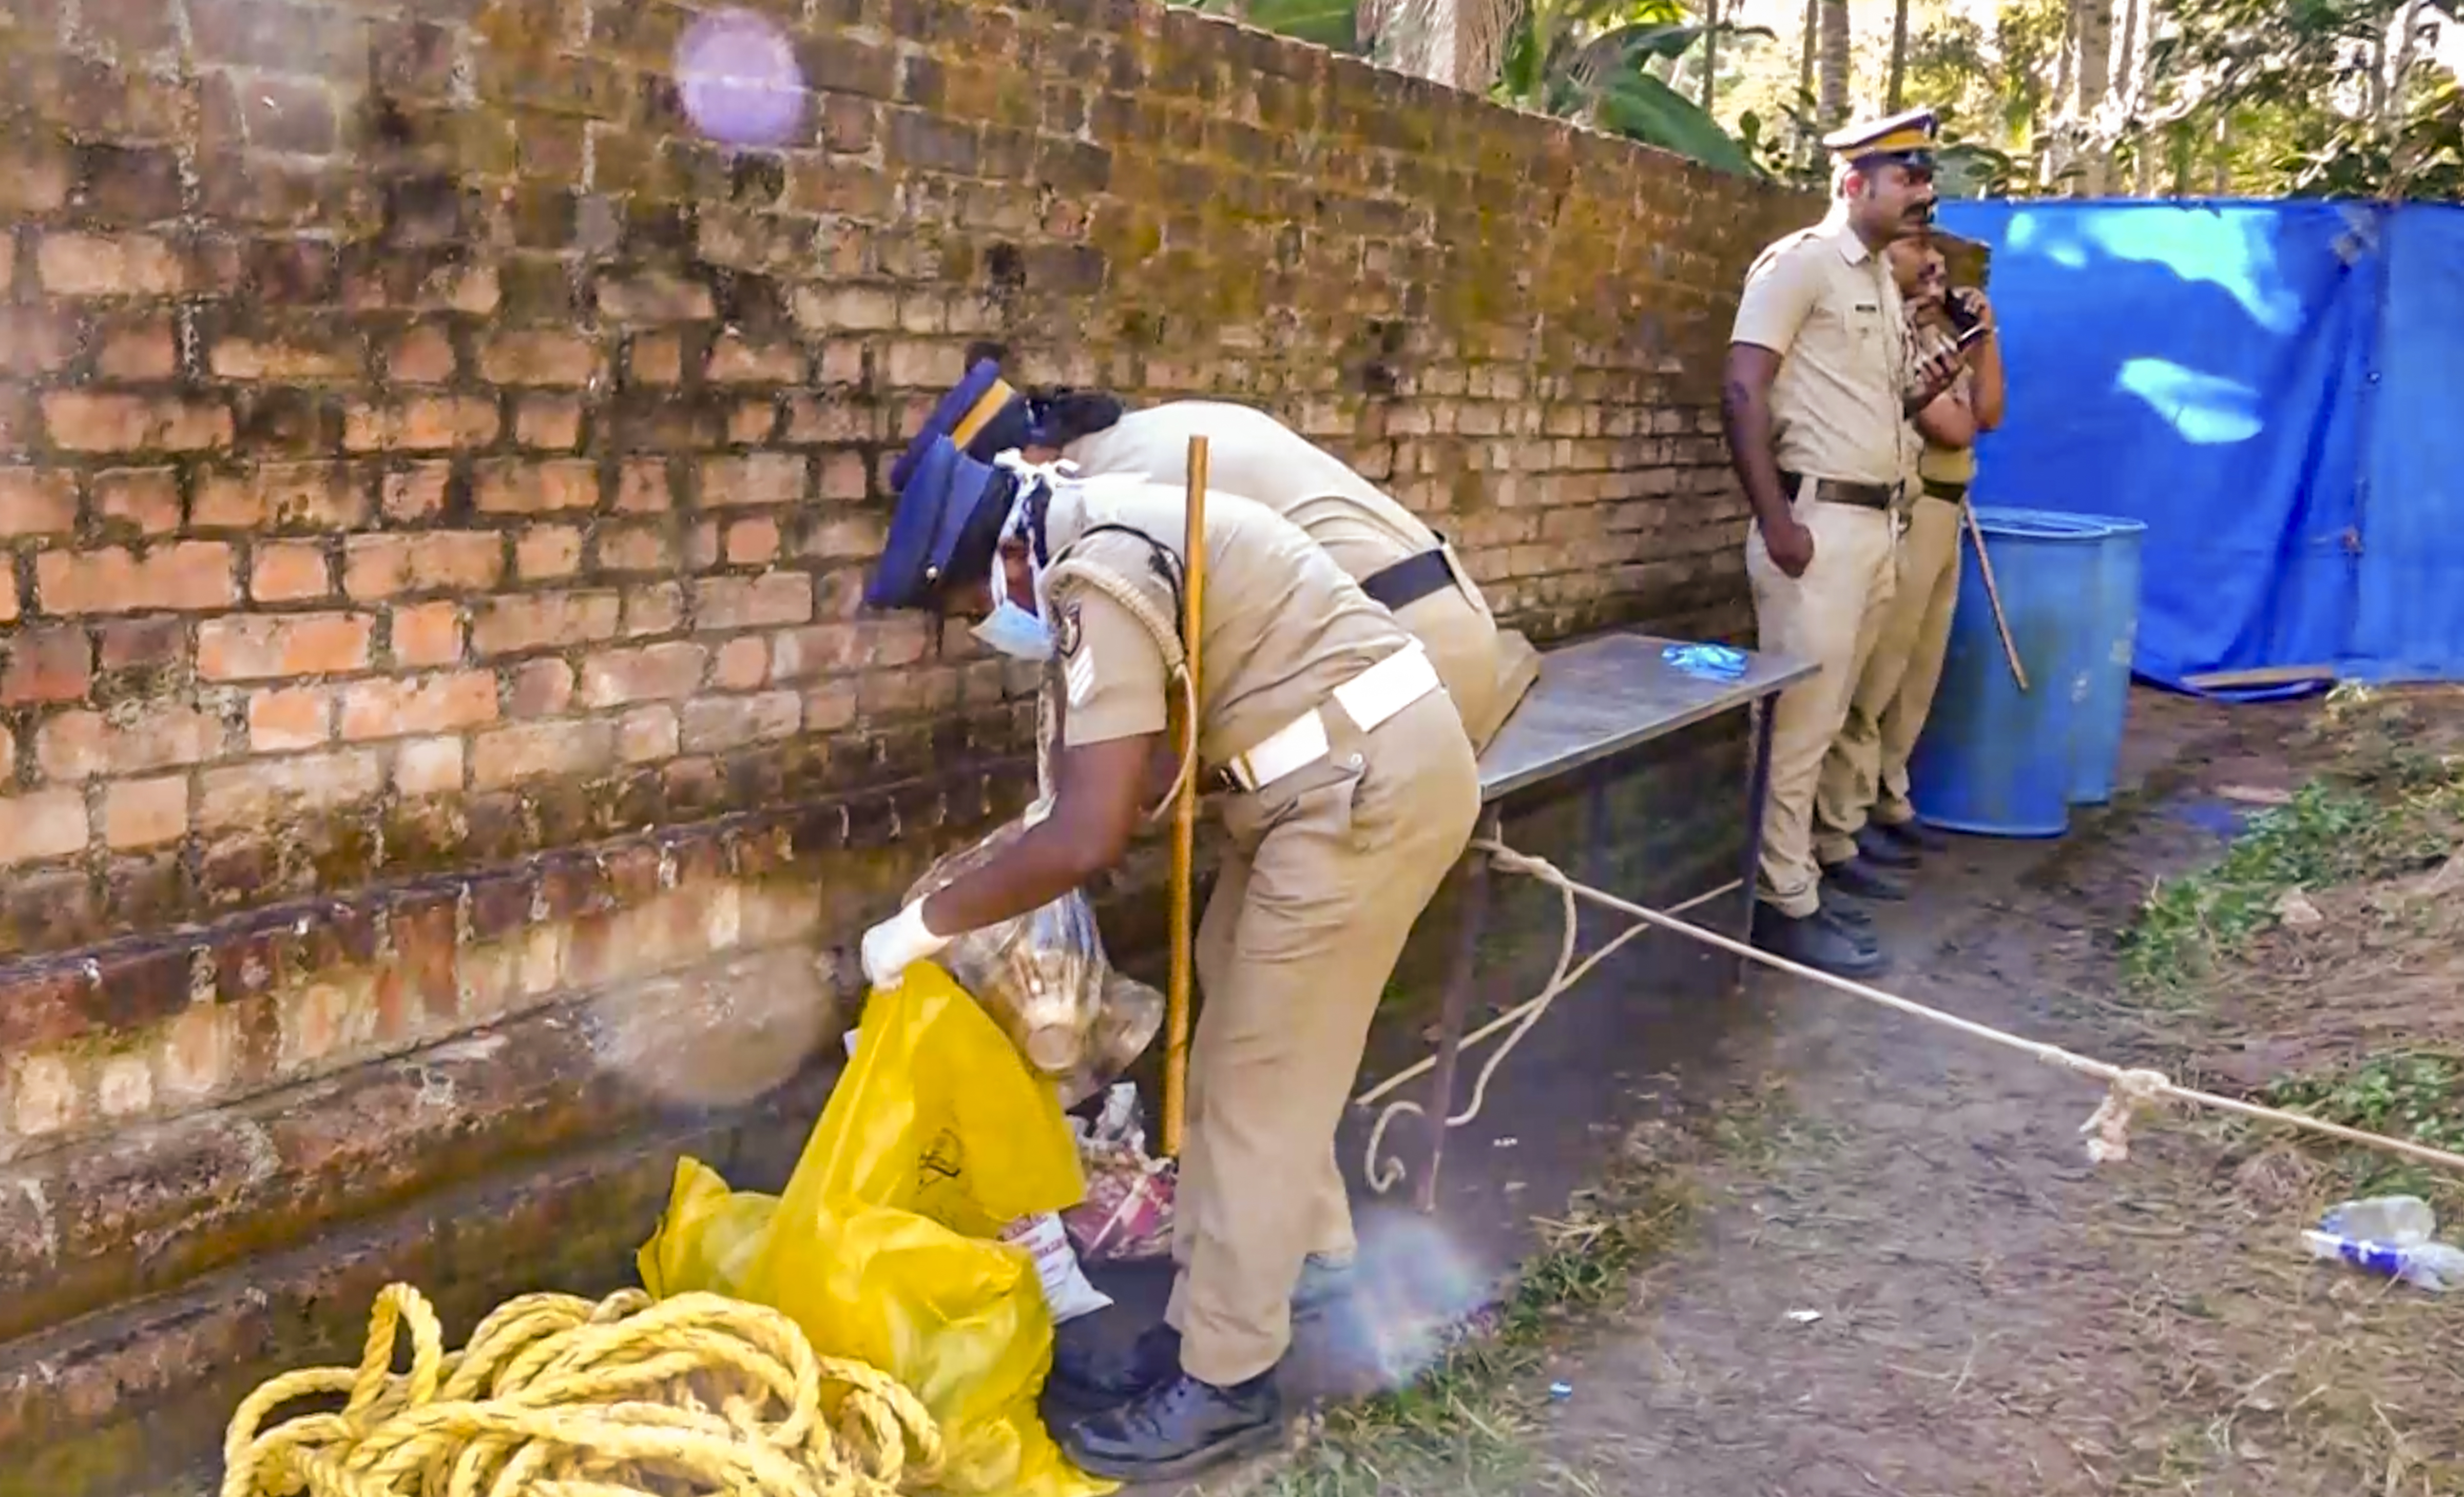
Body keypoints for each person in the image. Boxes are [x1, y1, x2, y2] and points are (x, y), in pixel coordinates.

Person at [857, 435, 1480, 1482]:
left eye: (973, 610)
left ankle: (1229, 1383)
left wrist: (926, 927)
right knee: (1237, 1020)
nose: (984, 630)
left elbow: (1094, 834)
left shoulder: (1098, 571)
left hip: (1359, 792)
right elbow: (1123, 781)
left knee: (1250, 1086)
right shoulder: (1103, 540)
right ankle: (1211, 1326)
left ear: (1008, 561)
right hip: (1321, 785)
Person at [889, 362, 1540, 753]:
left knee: (1284, 880)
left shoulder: (1119, 500)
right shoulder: (1150, 433)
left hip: (1403, 675)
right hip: (1453, 623)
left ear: (1019, 463)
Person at [1719, 106, 1965, 978]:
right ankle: (1779, 905)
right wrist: (1779, 523)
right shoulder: (1801, 265)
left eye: (1924, 179)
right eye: (1906, 178)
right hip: (1816, 527)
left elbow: (1859, 404)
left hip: (1876, 522)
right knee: (1799, 723)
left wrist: (1914, 393)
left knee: (1830, 718)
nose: (1922, 194)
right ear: (1853, 183)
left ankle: (1805, 873)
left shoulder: (1877, 284)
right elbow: (1745, 390)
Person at [1815, 237, 2007, 878]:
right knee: (1878, 674)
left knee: (1916, 671)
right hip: (1913, 508)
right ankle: (1844, 821)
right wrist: (1953, 353)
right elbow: (1955, 427)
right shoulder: (1900, 344)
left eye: (1942, 271)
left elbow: (1991, 412)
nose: (1936, 279)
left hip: (1950, 507)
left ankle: (1885, 800)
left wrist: (1986, 336)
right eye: (1924, 265)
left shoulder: (1941, 341)